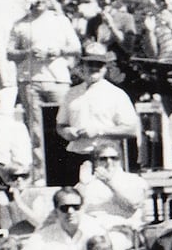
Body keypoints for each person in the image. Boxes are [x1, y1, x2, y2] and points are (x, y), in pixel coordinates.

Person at [55, 42, 140, 185]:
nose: (94, 68)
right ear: (82, 65)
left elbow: (131, 129)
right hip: (76, 156)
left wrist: (99, 131)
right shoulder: (71, 93)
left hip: (106, 158)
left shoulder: (116, 94)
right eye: (90, 63)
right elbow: (60, 124)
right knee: (77, 200)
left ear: (105, 67)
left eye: (99, 64)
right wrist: (67, 132)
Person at [8, 0, 81, 129]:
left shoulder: (60, 20)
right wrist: (28, 53)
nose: (40, 0)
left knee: (64, 124)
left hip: (58, 81)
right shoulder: (20, 24)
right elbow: (9, 53)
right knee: (36, 129)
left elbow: (76, 48)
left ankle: (64, 154)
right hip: (30, 83)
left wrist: (59, 51)